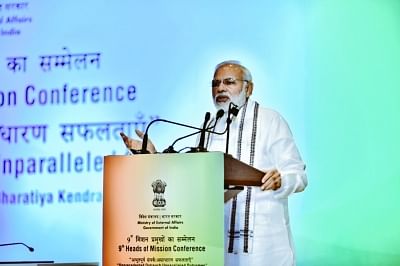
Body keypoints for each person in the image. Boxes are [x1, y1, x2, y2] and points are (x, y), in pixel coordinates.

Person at [121, 60, 307, 266]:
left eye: (229, 82)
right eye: (215, 83)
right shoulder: (209, 125)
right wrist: (153, 156)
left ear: (249, 88)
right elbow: (192, 175)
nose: (220, 88)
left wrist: (281, 179)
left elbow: (298, 175)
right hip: (217, 244)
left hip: (264, 246)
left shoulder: (270, 120)